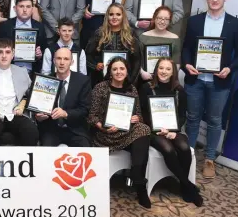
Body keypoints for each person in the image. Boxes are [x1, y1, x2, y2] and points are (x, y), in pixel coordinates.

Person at [181, 0, 238, 179]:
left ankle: (209, 158)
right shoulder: (194, 21)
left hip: (220, 81)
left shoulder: (235, 24)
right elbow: (186, 48)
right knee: (192, 118)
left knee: (215, 120)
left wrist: (230, 68)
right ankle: (189, 155)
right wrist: (186, 65)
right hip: (196, 78)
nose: (214, 0)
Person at [138, 57, 203, 206]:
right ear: (156, 70)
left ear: (173, 71)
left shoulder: (180, 91)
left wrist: (173, 130)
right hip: (153, 130)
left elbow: (181, 116)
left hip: (173, 129)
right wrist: (157, 128)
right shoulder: (146, 87)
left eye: (168, 69)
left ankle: (184, 186)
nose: (164, 72)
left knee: (184, 148)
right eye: (161, 68)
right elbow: (142, 113)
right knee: (168, 149)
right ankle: (188, 186)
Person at [87, 57, 151, 208]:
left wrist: (136, 118)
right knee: (142, 142)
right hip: (106, 134)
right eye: (115, 69)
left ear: (127, 71)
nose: (118, 72)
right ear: (110, 72)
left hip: (126, 132)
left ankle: (137, 179)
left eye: (122, 69)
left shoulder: (132, 89)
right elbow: (91, 117)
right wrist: (103, 127)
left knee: (144, 129)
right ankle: (139, 182)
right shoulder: (100, 88)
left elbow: (139, 116)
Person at [35, 48, 91, 147]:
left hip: (75, 130)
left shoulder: (82, 81)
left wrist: (65, 113)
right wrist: (39, 117)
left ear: (72, 62)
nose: (62, 62)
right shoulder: (45, 81)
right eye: (59, 58)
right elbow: (38, 109)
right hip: (51, 129)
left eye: (66, 59)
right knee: (45, 150)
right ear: (53, 61)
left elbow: (85, 110)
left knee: (85, 148)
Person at [86, 3, 142, 87]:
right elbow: (87, 55)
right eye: (111, 14)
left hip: (126, 82)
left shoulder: (131, 33)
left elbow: (137, 60)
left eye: (118, 14)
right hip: (102, 81)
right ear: (107, 16)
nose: (114, 17)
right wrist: (95, 65)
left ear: (123, 16)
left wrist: (131, 81)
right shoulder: (99, 33)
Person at [0, 0, 47, 73]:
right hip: (8, 70)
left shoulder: (40, 27)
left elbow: (44, 49)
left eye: (28, 7)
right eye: (21, 6)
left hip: (32, 71)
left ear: (32, 9)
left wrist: (39, 55)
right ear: (15, 8)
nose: (25, 10)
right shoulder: (4, 26)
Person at [139, 6, 181, 82]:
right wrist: (142, 73)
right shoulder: (143, 37)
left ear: (170, 21)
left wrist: (170, 76)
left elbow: (177, 63)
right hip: (146, 79)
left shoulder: (175, 39)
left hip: (166, 81)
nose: (162, 22)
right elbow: (137, 60)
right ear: (154, 18)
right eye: (160, 18)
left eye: (166, 19)